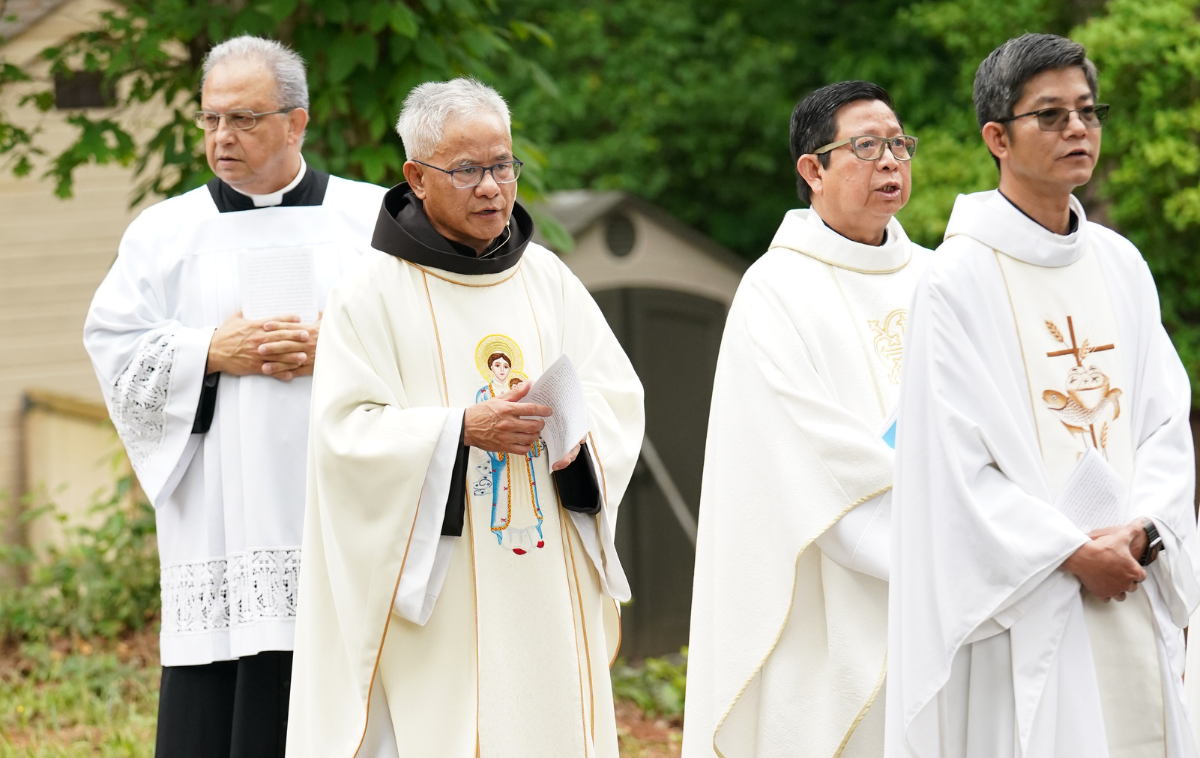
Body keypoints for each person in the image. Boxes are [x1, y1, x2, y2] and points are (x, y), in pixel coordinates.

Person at [285, 77, 645, 758]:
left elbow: (617, 398)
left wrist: (575, 440)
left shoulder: (547, 279)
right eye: (468, 170)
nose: (491, 187)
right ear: (416, 178)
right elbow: (343, 436)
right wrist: (458, 432)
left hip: (546, 567)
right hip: (443, 587)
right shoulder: (370, 295)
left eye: (503, 165)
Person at [885, 33, 1200, 758]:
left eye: (1089, 112)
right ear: (997, 136)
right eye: (1051, 116)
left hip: (1131, 572)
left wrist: (1144, 530)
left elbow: (1163, 422)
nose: (1078, 130)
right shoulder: (955, 280)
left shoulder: (1121, 264)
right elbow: (950, 470)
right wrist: (1067, 551)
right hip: (1025, 603)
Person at [83, 35, 385, 758]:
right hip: (222, 518)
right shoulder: (164, 234)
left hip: (337, 507)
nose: (223, 137)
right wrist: (210, 351)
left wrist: (335, 351)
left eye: (244, 119)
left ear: (297, 122)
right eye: (211, 119)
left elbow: (420, 346)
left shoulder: (372, 222)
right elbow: (113, 347)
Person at [682, 81, 929, 758]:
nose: (890, 161)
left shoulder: (940, 280)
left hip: (950, 582)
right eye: (866, 146)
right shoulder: (773, 292)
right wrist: (938, 529)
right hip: (835, 592)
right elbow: (805, 456)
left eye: (899, 144)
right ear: (812, 170)